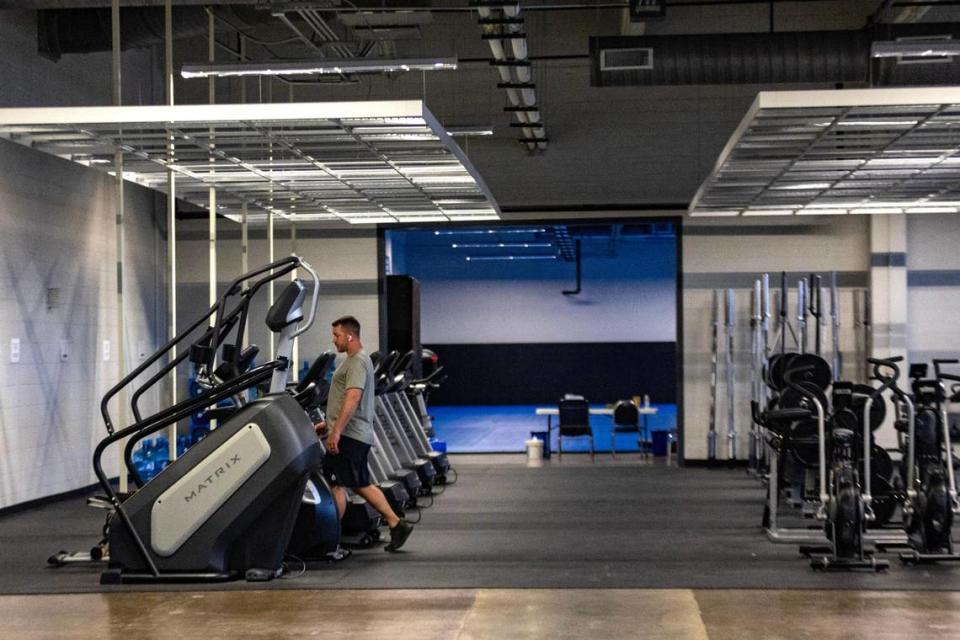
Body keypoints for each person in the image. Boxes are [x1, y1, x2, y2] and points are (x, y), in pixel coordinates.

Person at [314, 315, 414, 552]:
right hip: (352, 433)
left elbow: (353, 397)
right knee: (359, 483)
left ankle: (330, 541)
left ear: (349, 336)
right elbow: (344, 401)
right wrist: (327, 425)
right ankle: (396, 523)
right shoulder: (354, 360)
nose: (334, 340)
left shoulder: (357, 362)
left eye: (337, 335)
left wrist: (335, 432)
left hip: (349, 435)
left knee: (336, 484)